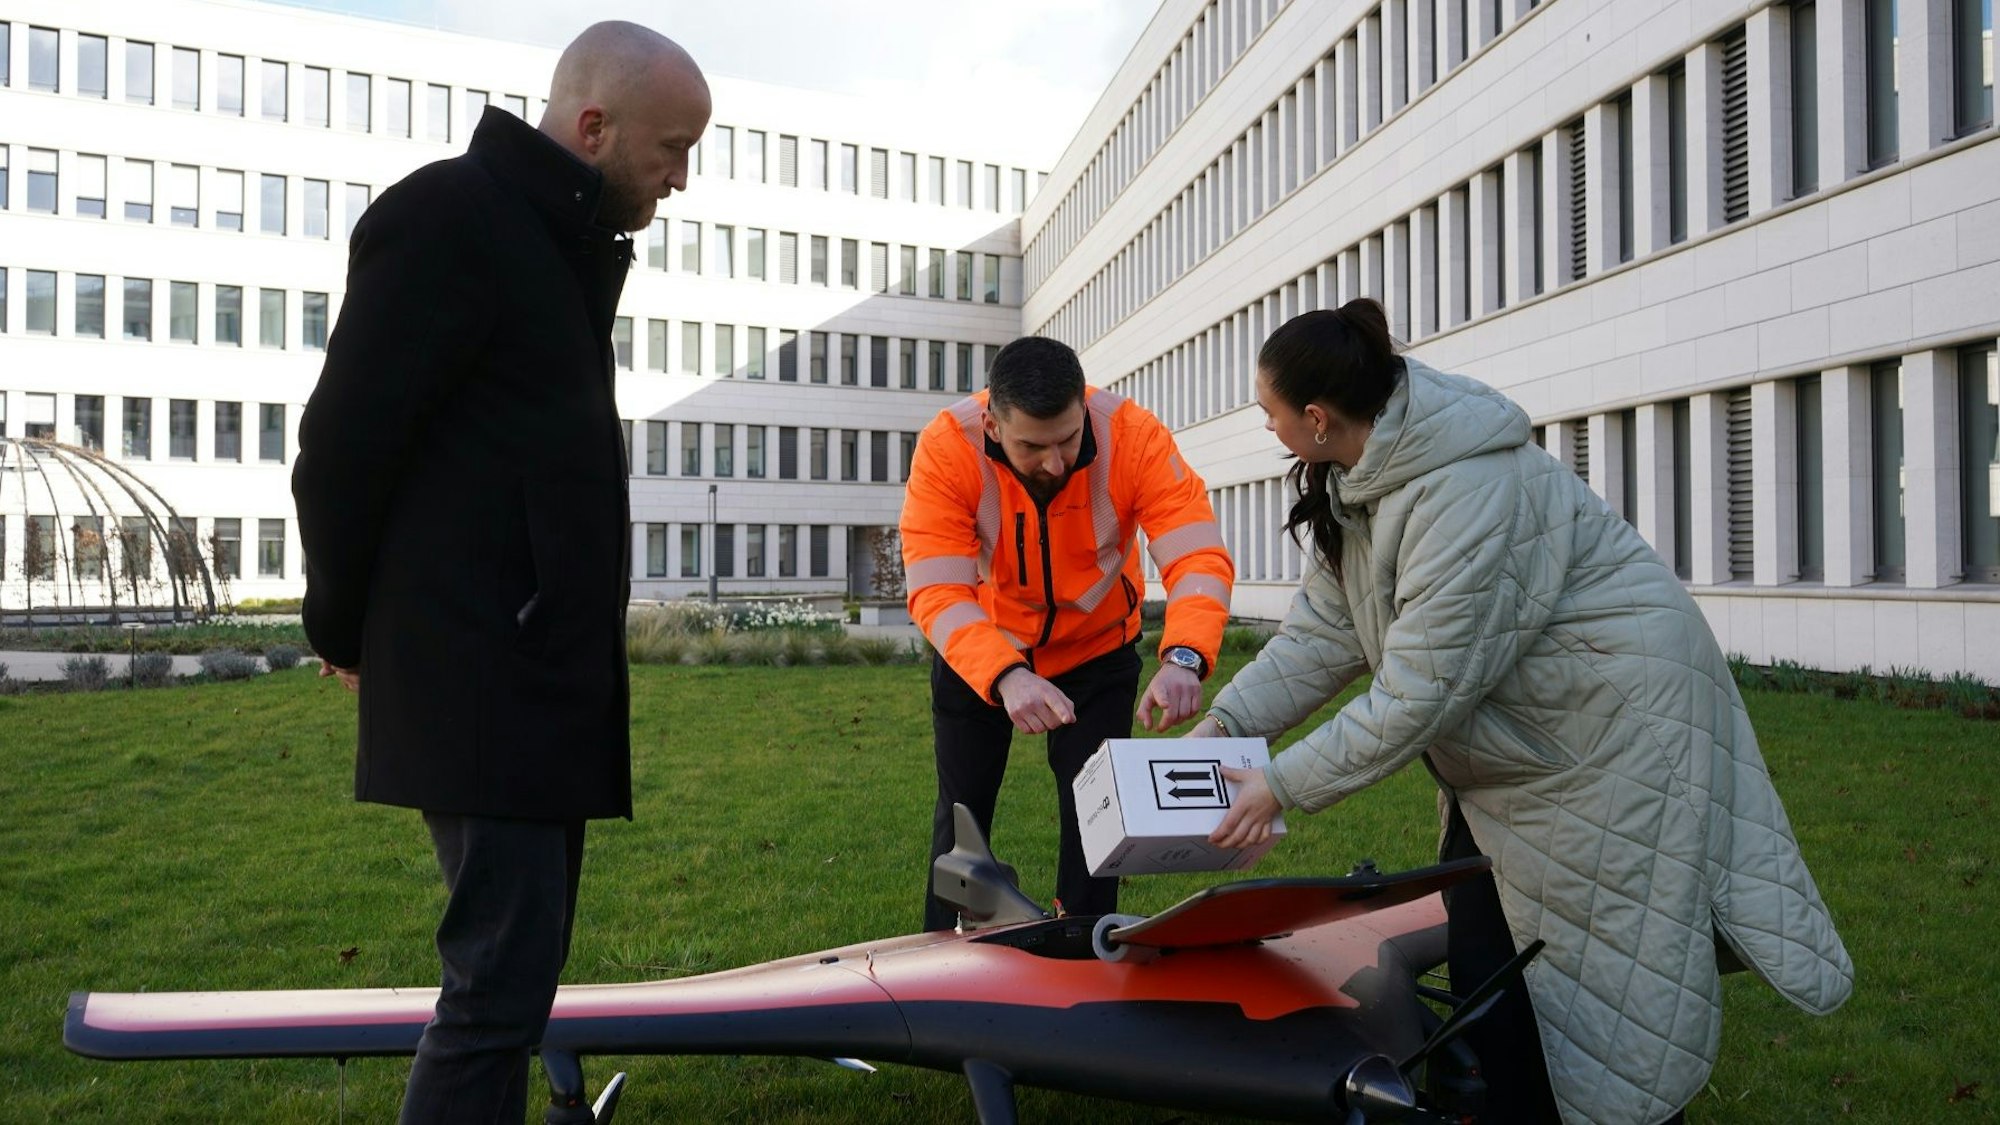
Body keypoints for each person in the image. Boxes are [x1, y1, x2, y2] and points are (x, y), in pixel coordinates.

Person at [1190, 301, 1852, 1125]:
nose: (1267, 426)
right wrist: (1225, 724)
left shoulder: (1464, 490)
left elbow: (1419, 696)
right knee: (1491, 974)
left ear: (1317, 418)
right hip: (1521, 756)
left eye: (1269, 412)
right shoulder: (1360, 478)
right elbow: (1326, 632)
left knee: (1606, 990)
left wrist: (1279, 784)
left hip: (1605, 741)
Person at [292, 23, 709, 1124]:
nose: (681, 178)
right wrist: (340, 631)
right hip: (486, 673)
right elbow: (341, 448)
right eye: (671, 149)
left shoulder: (549, 243)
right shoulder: (451, 219)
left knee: (509, 987)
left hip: (530, 676)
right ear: (591, 127)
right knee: (492, 991)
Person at [901, 336, 1235, 930]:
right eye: (1033, 446)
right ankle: (939, 954)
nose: (1054, 463)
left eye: (1068, 440)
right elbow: (938, 590)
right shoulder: (947, 447)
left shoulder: (1135, 437)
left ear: (1083, 406)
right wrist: (1006, 675)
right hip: (985, 650)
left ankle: (1085, 950)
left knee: (1098, 822)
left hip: (1098, 651)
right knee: (961, 816)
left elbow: (1197, 556)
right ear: (992, 424)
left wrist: (1185, 655)